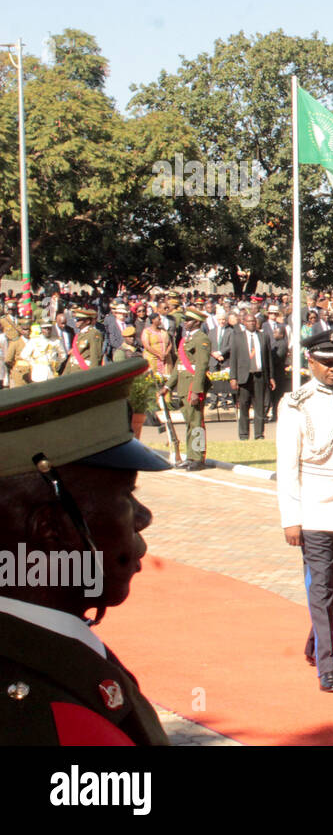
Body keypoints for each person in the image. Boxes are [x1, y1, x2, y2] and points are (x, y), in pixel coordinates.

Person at [0, 359, 172, 744]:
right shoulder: (33, 714)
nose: (143, 517)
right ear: (52, 529)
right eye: (127, 495)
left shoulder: (47, 648)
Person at [277, 330, 333, 694]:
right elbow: (287, 466)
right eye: (326, 362)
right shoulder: (295, 403)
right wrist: (290, 517)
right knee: (323, 585)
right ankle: (328, 665)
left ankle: (315, 641)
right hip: (312, 506)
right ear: (310, 362)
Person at [163, 307, 212, 471]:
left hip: (193, 386)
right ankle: (190, 456)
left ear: (197, 322)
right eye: (184, 320)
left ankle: (198, 457)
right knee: (189, 423)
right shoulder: (186, 340)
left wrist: (196, 391)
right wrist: (168, 386)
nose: (185, 323)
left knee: (196, 422)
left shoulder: (201, 339)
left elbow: (201, 367)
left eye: (188, 320)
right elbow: (178, 366)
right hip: (183, 386)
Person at [230, 312, 274, 441]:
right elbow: (233, 359)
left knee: (259, 406)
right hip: (244, 377)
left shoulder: (263, 336)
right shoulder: (238, 337)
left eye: (253, 321)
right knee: (243, 406)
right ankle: (243, 435)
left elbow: (268, 358)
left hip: (260, 376)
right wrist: (233, 377)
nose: (251, 324)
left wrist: (271, 377)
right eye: (249, 321)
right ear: (244, 323)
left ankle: (259, 434)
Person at [61, 308, 103, 375]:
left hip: (84, 372)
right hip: (74, 372)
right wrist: (64, 375)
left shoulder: (94, 333)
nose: (76, 321)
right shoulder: (79, 335)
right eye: (75, 319)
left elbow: (95, 357)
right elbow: (73, 356)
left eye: (78, 320)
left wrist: (93, 375)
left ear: (87, 321)